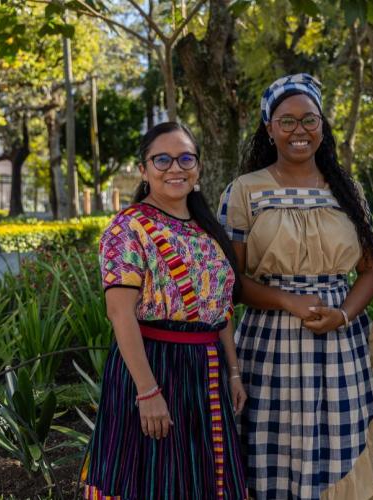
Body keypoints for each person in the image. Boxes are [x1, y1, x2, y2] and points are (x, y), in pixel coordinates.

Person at [219, 73, 373, 499]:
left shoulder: (346, 190)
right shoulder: (245, 191)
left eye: (309, 120)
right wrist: (286, 300)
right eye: (287, 121)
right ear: (269, 128)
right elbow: (231, 283)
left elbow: (370, 270)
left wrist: (344, 314)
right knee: (274, 448)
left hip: (339, 341)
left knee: (339, 441)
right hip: (269, 343)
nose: (300, 131)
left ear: (322, 125)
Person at [82, 122, 248, 499]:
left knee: (203, 478)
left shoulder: (209, 231)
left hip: (206, 368)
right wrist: (147, 392)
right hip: (155, 367)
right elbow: (120, 314)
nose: (176, 168)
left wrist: (234, 372)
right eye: (162, 159)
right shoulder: (127, 228)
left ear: (198, 167)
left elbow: (221, 310)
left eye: (186, 158)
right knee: (156, 479)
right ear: (144, 170)